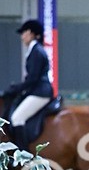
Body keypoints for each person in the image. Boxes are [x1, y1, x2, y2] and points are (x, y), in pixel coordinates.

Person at [4, 19, 54, 148]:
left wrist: (16, 88)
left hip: (40, 92)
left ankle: (24, 154)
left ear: (30, 33)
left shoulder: (36, 51)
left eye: (23, 33)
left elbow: (33, 79)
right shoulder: (35, 50)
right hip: (37, 90)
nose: (22, 36)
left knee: (17, 118)